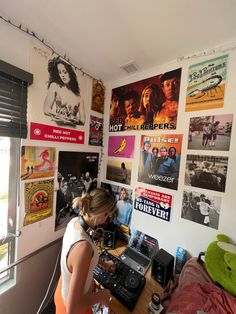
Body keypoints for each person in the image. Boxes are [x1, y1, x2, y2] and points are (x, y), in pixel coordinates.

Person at [54, 188, 117, 314]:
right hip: (72, 307)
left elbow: (81, 261)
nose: (107, 219)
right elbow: (73, 308)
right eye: (107, 216)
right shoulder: (83, 248)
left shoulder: (74, 222)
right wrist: (101, 295)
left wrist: (103, 264)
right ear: (101, 214)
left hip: (63, 290)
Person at [44, 57, 85, 125]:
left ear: (70, 73)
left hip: (72, 131)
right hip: (56, 128)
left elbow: (82, 121)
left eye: (65, 72)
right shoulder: (55, 86)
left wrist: (73, 119)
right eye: (59, 72)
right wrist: (60, 116)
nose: (62, 75)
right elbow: (46, 109)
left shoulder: (79, 98)